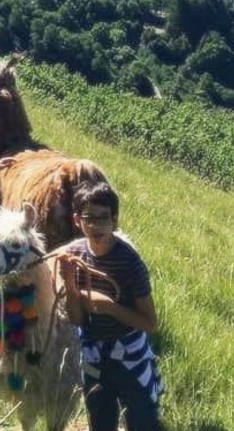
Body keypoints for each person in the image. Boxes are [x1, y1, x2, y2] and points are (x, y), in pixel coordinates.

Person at [56, 181, 164, 431]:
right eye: (89, 218)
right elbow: (76, 319)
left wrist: (110, 307)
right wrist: (70, 285)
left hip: (128, 356)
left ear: (114, 220)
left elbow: (150, 323)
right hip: (94, 354)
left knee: (143, 422)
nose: (96, 225)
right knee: (101, 422)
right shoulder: (74, 255)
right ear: (77, 220)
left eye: (104, 217)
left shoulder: (129, 263)